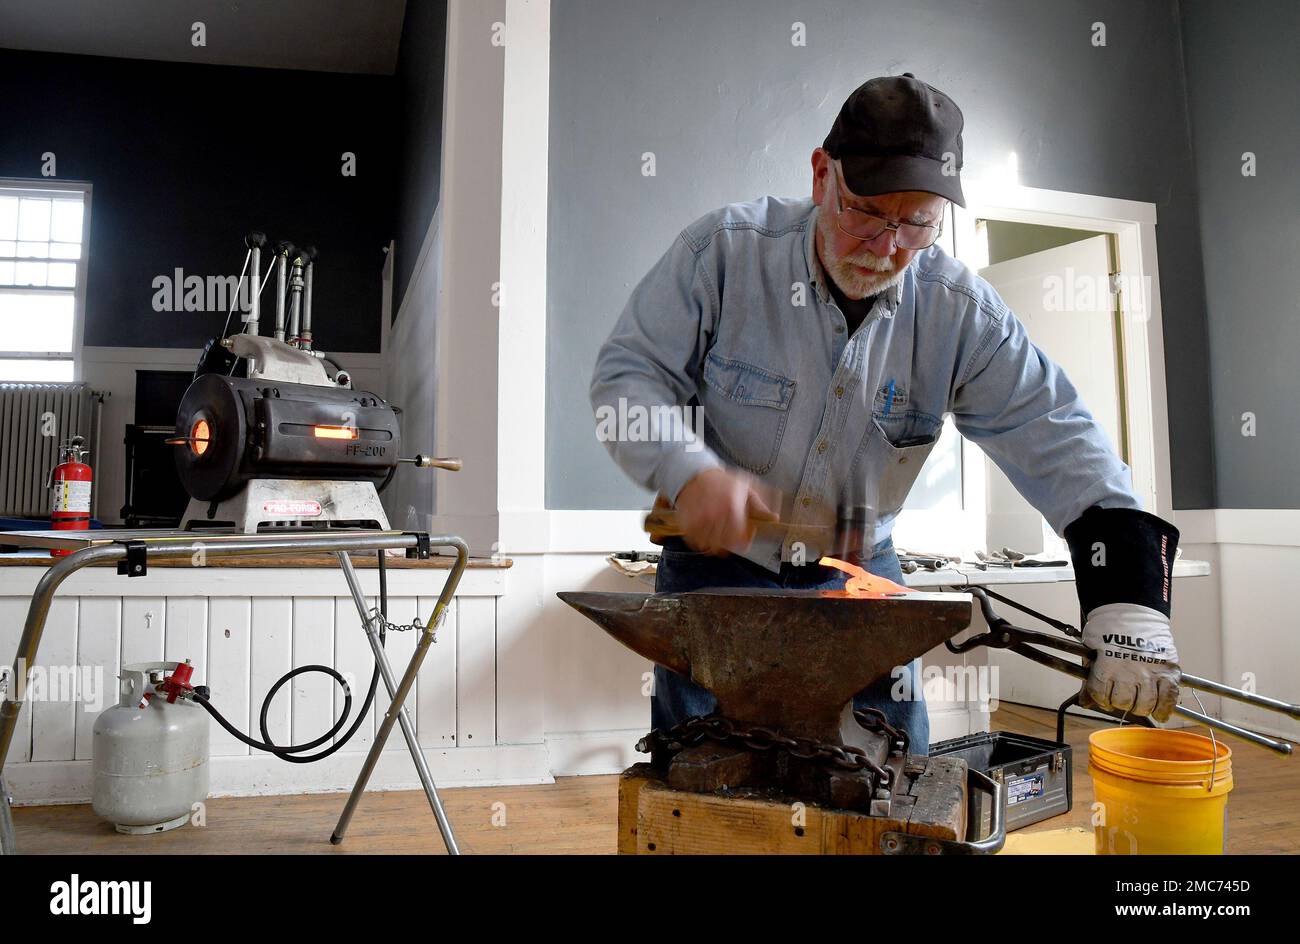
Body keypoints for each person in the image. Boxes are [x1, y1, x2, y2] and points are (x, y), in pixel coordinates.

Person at [590, 74, 1180, 752]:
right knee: (705, 784)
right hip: (715, 574)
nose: (887, 245)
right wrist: (689, 473)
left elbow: (1062, 441)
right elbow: (627, 379)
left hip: (861, 580)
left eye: (917, 224)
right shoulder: (722, 253)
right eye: (866, 211)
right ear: (821, 176)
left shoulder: (962, 316)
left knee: (893, 792)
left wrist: (1129, 598)